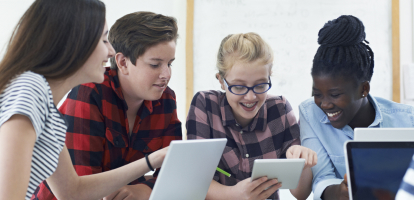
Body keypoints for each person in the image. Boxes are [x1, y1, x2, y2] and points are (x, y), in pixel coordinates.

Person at [0, 1, 168, 199]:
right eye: (104, 40)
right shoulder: (31, 90)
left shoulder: (48, 107)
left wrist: (153, 160)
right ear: (75, 42)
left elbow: (72, 192)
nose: (111, 52)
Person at [187, 32, 317, 200]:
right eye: (239, 87)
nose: (250, 97)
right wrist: (235, 194)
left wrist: (303, 163)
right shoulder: (205, 104)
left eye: (260, 85)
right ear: (221, 80)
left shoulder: (280, 109)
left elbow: (300, 194)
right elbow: (195, 181)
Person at [299, 15, 414, 200]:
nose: (325, 104)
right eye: (318, 94)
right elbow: (322, 177)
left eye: (335, 95)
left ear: (363, 89)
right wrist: (339, 192)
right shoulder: (309, 113)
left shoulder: (407, 120)